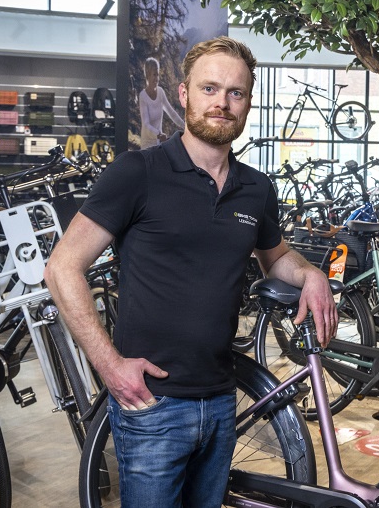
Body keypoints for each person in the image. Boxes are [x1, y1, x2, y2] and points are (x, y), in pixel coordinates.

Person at [45, 37, 338, 507]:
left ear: (247, 103)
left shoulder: (256, 188)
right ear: (183, 95)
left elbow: (276, 257)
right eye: (209, 89)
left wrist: (312, 275)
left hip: (223, 400)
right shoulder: (138, 172)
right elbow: (62, 268)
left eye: (235, 93)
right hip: (151, 404)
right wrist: (109, 365)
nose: (221, 103)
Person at [138, 56, 186, 147]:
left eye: (157, 74)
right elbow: (146, 124)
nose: (156, 78)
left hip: (158, 143)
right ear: (147, 75)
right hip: (147, 145)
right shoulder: (143, 96)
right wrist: (158, 134)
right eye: (154, 75)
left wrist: (184, 126)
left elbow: (171, 112)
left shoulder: (160, 92)